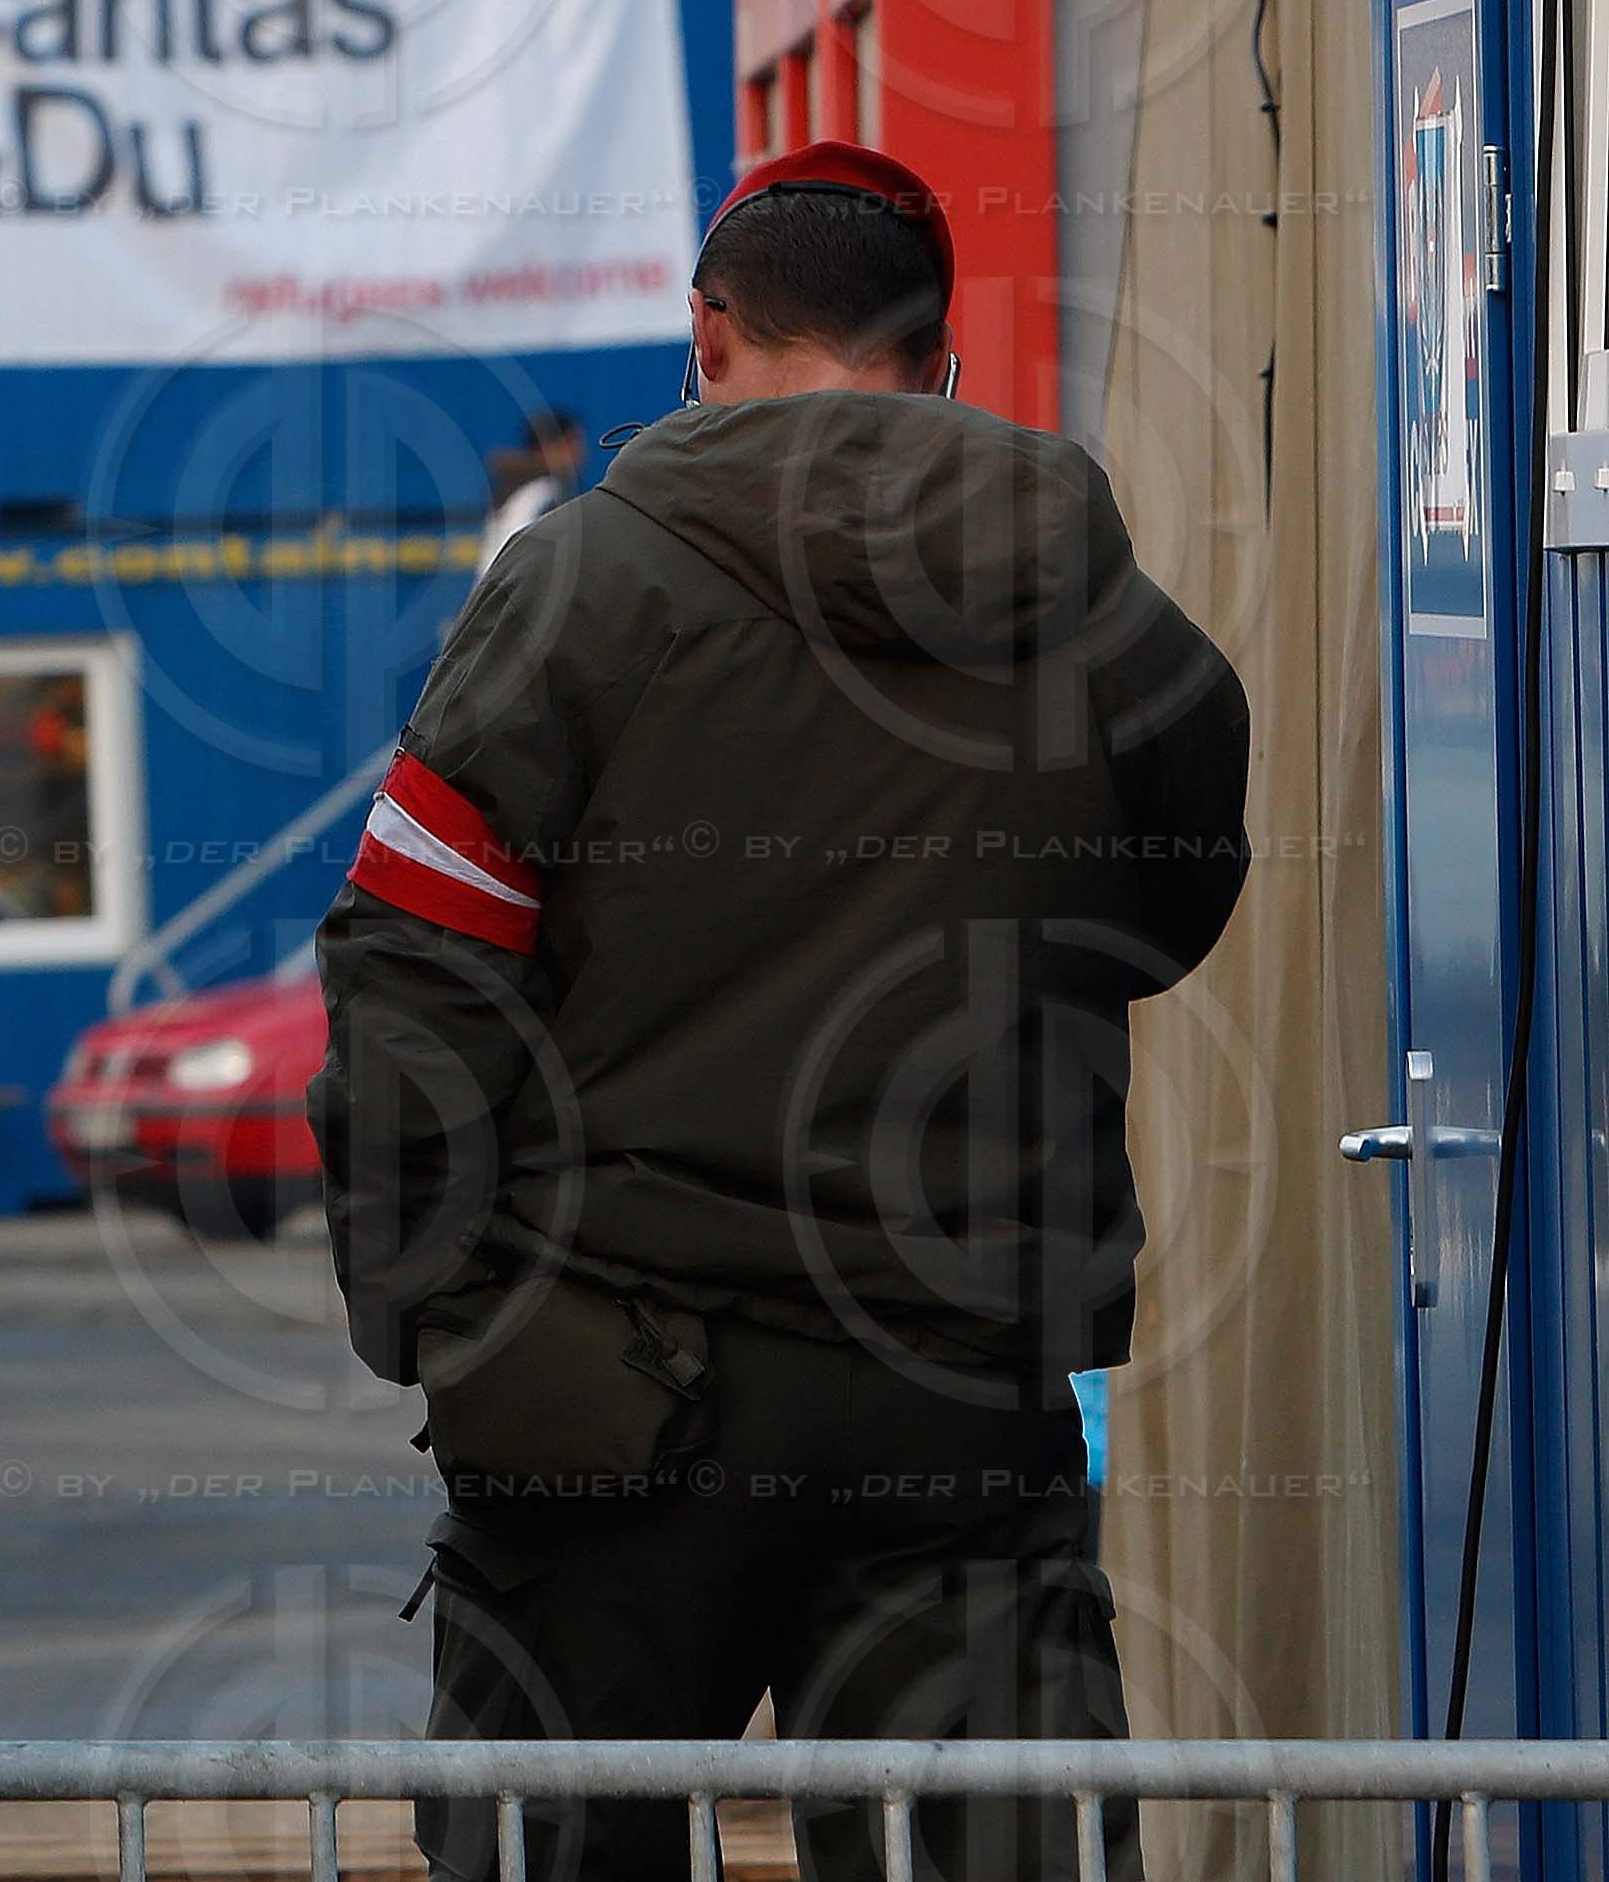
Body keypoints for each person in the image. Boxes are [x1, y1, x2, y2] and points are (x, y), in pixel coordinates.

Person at [307, 143, 1250, 1882]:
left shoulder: (579, 586)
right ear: (939, 355)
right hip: (956, 1380)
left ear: (708, 334)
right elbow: (1169, 906)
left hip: (605, 1392)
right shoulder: (1093, 601)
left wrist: (437, 1310)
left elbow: (412, 964)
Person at [477, 405, 587, 569]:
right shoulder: (544, 494)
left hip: (498, 590)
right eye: (572, 442)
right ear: (547, 447)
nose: (582, 452)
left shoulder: (517, 488)